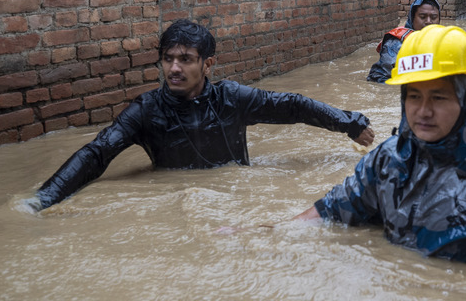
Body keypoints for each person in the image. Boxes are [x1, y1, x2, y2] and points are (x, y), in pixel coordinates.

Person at [295, 25, 466, 280]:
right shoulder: (388, 159)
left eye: (439, 97)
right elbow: (329, 212)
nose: (424, 111)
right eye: (414, 96)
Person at [26, 20, 376, 210]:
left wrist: (350, 123)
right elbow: (96, 153)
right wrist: (45, 198)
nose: (174, 68)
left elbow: (293, 106)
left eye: (185, 60)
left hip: (237, 200)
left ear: (208, 63)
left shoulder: (233, 98)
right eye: (168, 59)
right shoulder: (147, 110)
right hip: (175, 204)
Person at [367, 0, 441, 83]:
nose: (429, 21)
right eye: (422, 17)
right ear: (412, 18)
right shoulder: (396, 44)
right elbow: (383, 79)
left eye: (433, 17)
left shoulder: (444, 40)